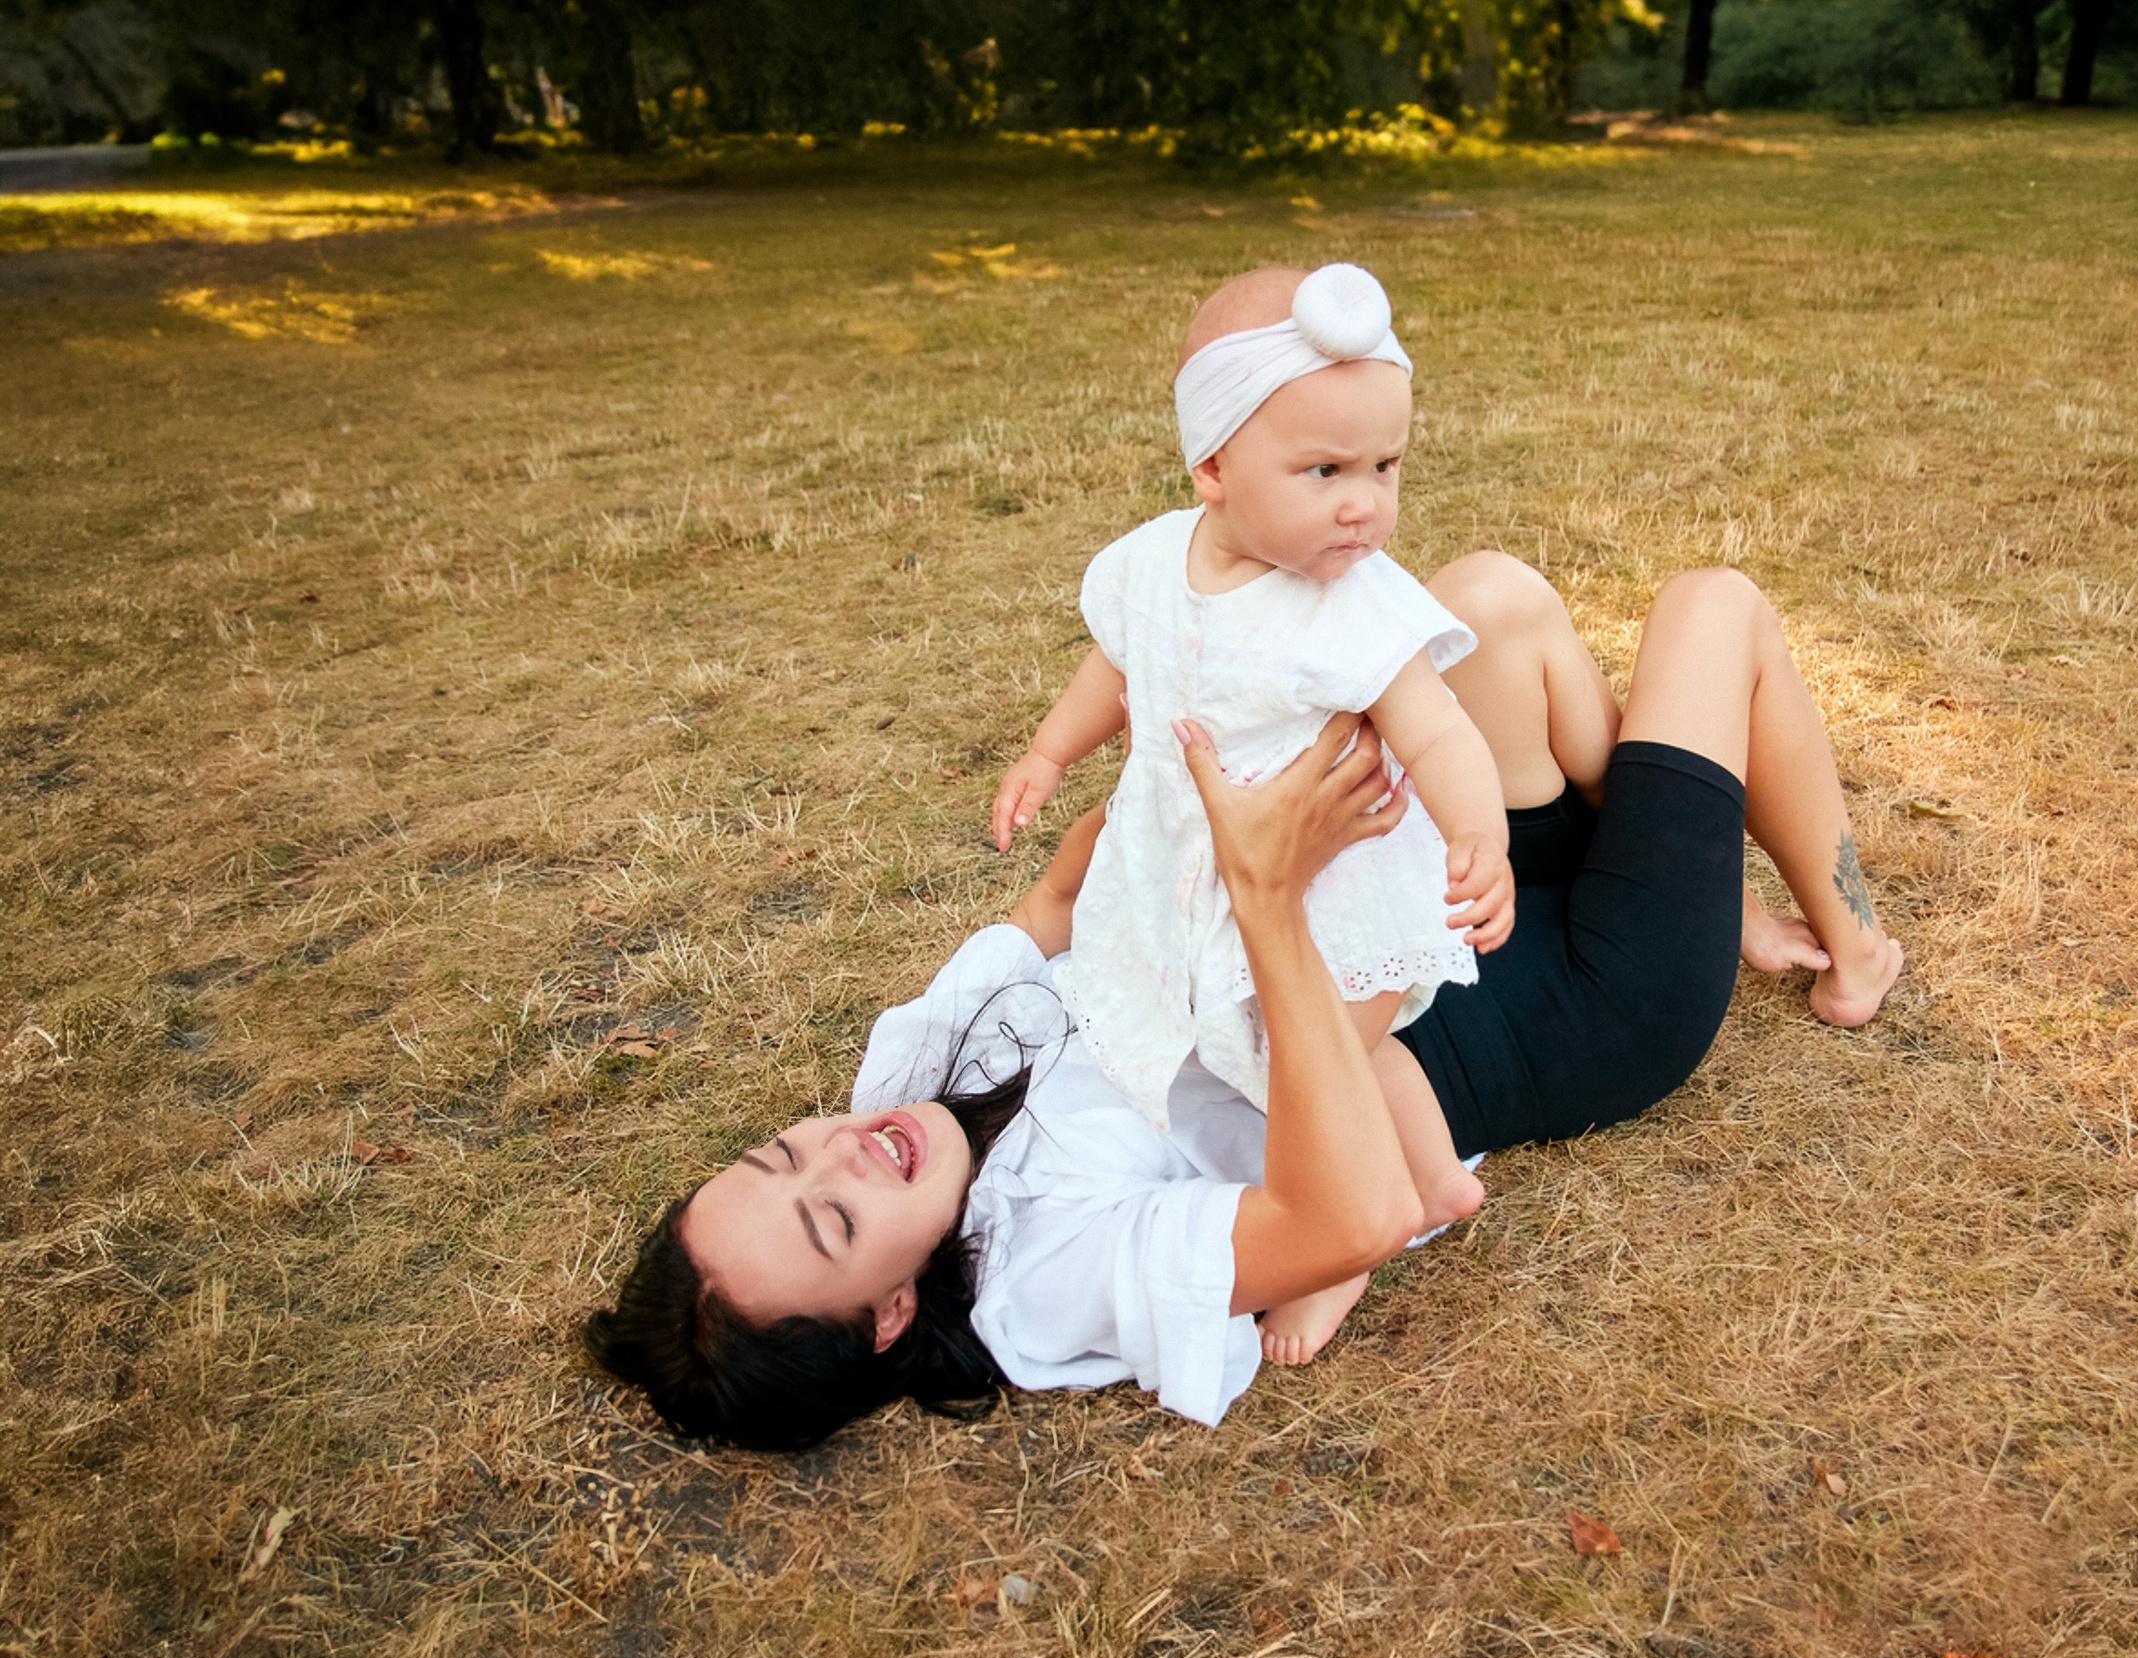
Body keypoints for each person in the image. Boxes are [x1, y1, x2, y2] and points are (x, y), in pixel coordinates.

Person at [584, 553, 1903, 1451]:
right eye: (831, 1217)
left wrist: (1178, 785)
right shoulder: (1044, 1280)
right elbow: (1353, 1214)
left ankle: (1676, 848)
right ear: (881, 1318)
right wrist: (1268, 888)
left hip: (1422, 899)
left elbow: (1055, 904)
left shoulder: (904, 1089)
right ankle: (1847, 948)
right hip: (1556, 1014)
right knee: (1714, 606)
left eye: (782, 1150)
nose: (842, 1149)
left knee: (1480, 601)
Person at [987, 262, 1511, 1360]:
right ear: (1214, 465)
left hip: (1338, 894)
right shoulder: (1146, 565)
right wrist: (1048, 749)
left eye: (1384, 465)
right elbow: (1116, 668)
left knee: (1299, 1067)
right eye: (1323, 469)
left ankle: (1344, 1251)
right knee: (1340, 1061)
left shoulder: (1351, 600)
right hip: (1204, 871)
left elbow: (1439, 729)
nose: (1363, 501)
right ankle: (1426, 1178)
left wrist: (1480, 834)